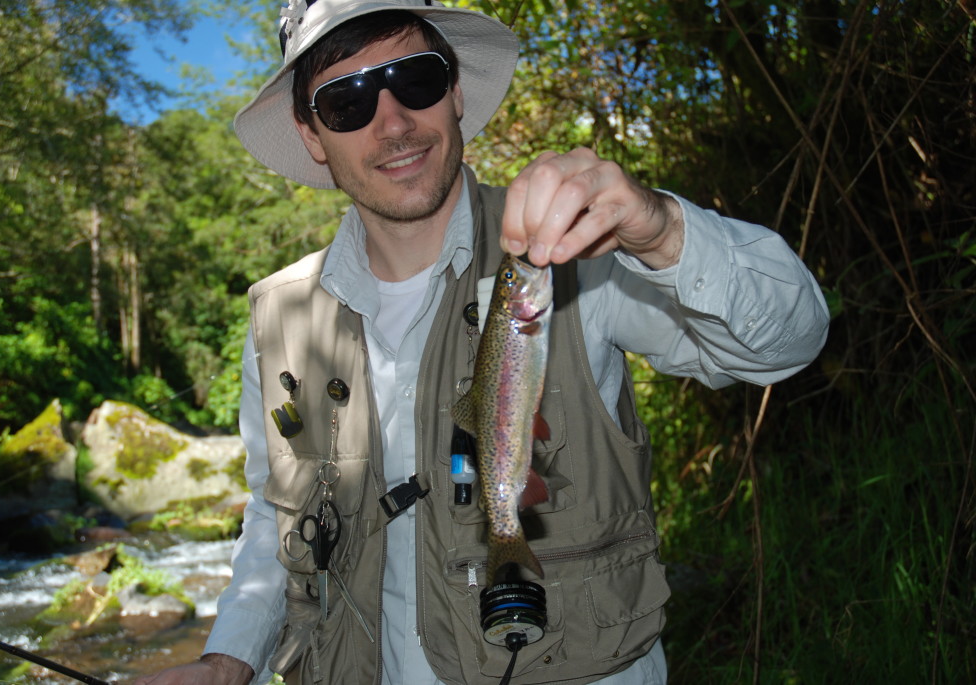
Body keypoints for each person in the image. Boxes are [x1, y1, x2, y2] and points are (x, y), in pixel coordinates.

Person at [133, 0, 828, 683]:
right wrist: (229, 658)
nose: (394, 122)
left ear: (456, 89)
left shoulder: (575, 246)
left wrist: (664, 227)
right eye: (346, 102)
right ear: (314, 135)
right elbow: (273, 517)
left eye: (417, 79)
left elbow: (787, 343)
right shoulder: (280, 316)